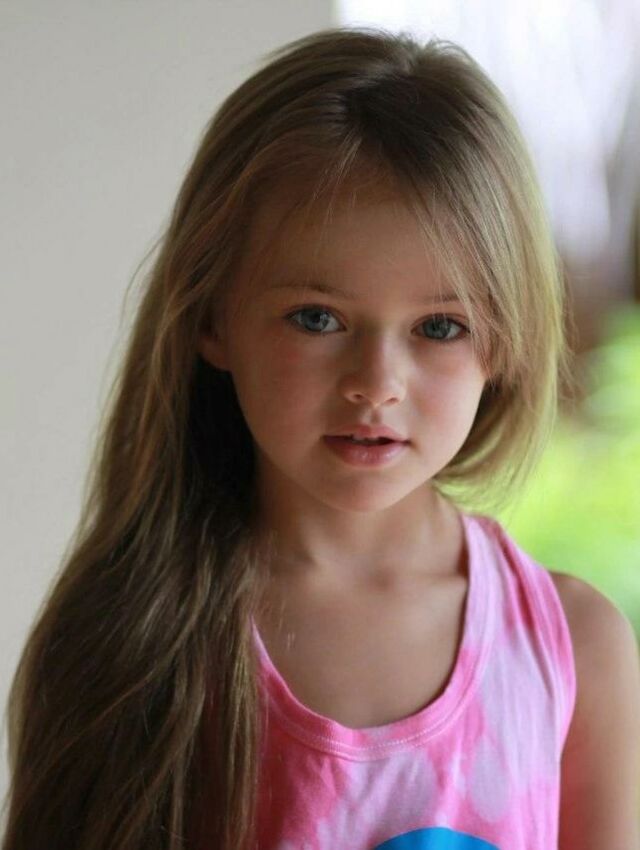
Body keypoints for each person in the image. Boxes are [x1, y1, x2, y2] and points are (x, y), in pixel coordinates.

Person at [2, 26, 639, 850]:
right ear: (211, 318)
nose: (376, 383)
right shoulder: (132, 638)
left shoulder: (575, 652)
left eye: (439, 327)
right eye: (317, 318)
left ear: (506, 342)